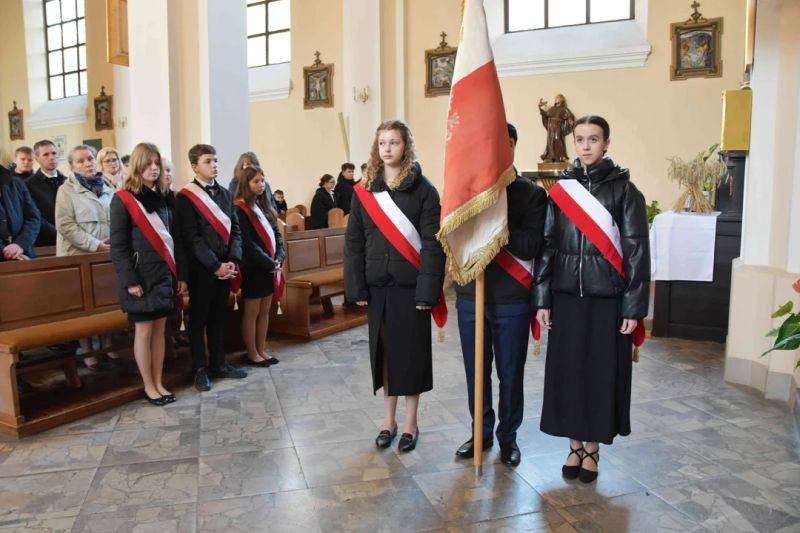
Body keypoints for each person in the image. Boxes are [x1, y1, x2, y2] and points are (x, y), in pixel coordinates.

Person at [533, 115, 650, 483]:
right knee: (569, 373)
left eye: (593, 139)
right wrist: (542, 299)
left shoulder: (625, 191)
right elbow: (548, 246)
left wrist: (633, 307)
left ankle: (593, 449)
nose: (585, 146)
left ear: (606, 143)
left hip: (607, 300)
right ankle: (573, 445)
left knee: (600, 374)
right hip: (567, 297)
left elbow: (636, 252)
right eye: (580, 139)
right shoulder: (561, 191)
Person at [344, 120, 445, 452]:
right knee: (385, 356)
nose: (387, 148)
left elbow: (432, 245)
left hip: (411, 289)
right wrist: (356, 287)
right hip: (378, 288)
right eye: (382, 143)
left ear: (406, 146)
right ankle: (388, 421)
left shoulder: (424, 190)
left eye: (394, 142)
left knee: (410, 358)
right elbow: (354, 242)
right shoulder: (364, 191)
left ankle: (411, 423)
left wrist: (428, 292)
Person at [454, 123, 547, 466]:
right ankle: (480, 431)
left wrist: (497, 219)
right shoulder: (467, 192)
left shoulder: (531, 194)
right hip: (471, 294)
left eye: (506, 142)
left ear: (514, 145)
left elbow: (531, 245)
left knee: (510, 372)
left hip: (512, 297)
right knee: (475, 372)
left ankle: (508, 436)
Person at [110, 143, 187, 406]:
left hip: (164, 274)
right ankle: (148, 386)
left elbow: (176, 240)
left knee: (160, 330)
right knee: (144, 331)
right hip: (140, 277)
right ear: (137, 165)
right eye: (148, 163)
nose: (154, 168)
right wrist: (130, 280)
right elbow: (119, 246)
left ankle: (159, 381)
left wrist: (181, 275)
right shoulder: (123, 199)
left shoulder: (166, 197)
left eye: (157, 163)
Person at [176, 144, 246, 392]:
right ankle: (199, 368)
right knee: (199, 320)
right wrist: (215, 265)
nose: (214, 165)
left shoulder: (226, 194)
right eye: (208, 161)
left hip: (226, 267)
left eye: (215, 160)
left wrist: (233, 259)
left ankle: (219, 363)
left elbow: (235, 230)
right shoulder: (185, 197)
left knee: (218, 317)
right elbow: (192, 237)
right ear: (195, 166)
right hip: (202, 270)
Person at [55, 145, 114, 370]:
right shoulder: (66, 190)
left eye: (90, 158)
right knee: (84, 307)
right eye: (80, 161)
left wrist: (112, 243)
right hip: (78, 257)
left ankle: (107, 345)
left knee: (106, 300)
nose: (87, 163)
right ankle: (87, 350)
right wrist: (95, 244)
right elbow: (65, 225)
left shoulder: (107, 187)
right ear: (72, 167)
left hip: (106, 254)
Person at [234, 166, 284, 367]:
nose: (261, 184)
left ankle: (262, 349)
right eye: (256, 181)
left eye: (262, 180)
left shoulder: (263, 207)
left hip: (270, 266)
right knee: (252, 312)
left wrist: (280, 257)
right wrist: (269, 263)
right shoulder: (240, 208)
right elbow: (248, 243)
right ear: (246, 184)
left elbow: (277, 235)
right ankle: (252, 352)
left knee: (265, 311)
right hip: (254, 268)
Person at [26, 140, 68, 246]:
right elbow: (34, 215)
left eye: (54, 153)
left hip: (71, 238)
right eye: (46, 154)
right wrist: (59, 234)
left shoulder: (67, 181)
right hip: (45, 241)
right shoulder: (28, 185)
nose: (51, 157)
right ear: (37, 158)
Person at [0, 164, 40, 261]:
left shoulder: (15, 182)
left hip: (23, 253)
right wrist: (5, 251)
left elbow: (33, 217)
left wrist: (20, 244)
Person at [538, 94, 575, 163]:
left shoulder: (564, 109)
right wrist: (540, 107)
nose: (557, 103)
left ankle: (561, 156)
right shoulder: (552, 108)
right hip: (551, 128)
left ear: (562, 101)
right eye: (556, 101)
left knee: (558, 140)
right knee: (550, 141)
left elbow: (569, 115)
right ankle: (550, 157)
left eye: (558, 101)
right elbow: (546, 114)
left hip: (558, 127)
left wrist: (570, 120)